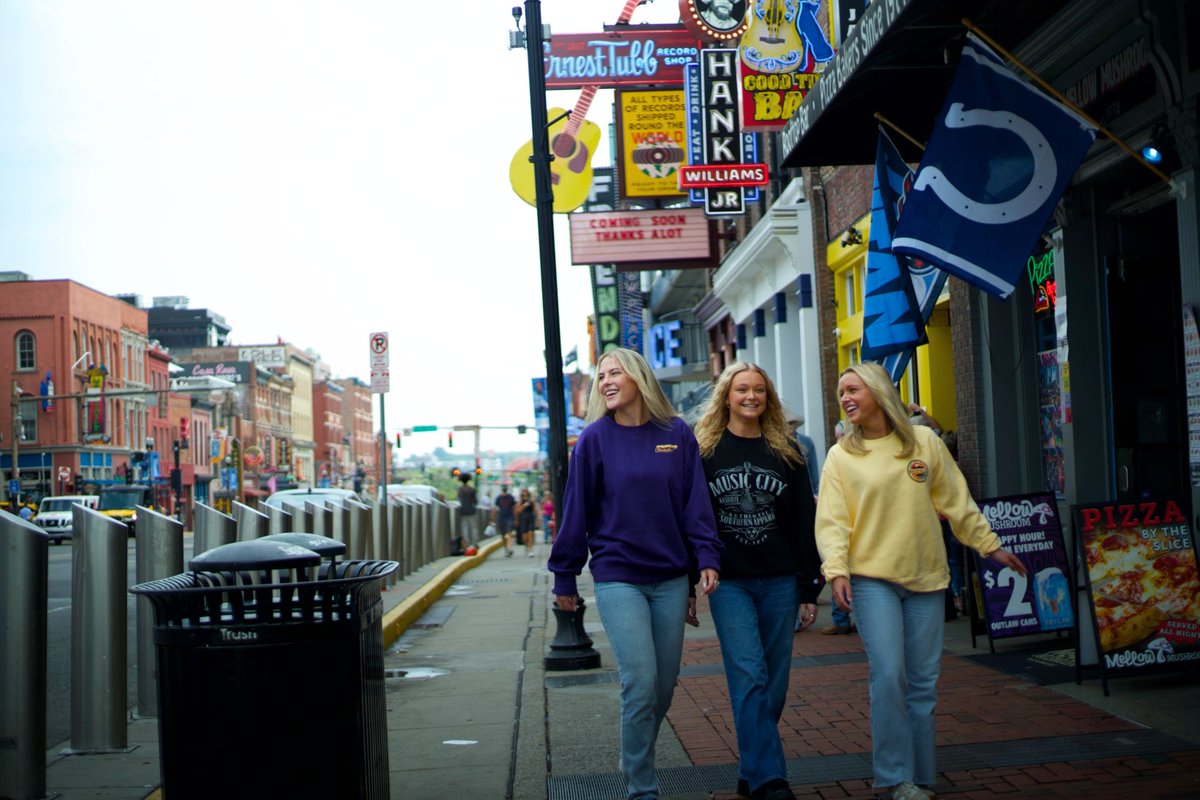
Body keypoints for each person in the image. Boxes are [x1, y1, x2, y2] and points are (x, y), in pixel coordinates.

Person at [815, 362, 1027, 800]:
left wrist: (990, 546)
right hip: (872, 580)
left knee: (923, 683)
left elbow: (957, 500)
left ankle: (921, 776)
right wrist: (835, 569)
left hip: (927, 580)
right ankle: (894, 778)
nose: (846, 398)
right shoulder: (841, 455)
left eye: (853, 389)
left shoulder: (924, 442)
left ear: (877, 391)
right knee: (890, 675)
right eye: (841, 393)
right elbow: (833, 521)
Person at [549, 347, 722, 800]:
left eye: (614, 373)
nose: (605, 381)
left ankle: (636, 754)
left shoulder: (677, 435)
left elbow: (695, 504)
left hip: (669, 578)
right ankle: (641, 785)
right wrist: (564, 576)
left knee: (663, 685)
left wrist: (705, 557)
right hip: (618, 575)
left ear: (639, 378)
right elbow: (575, 512)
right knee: (640, 680)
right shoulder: (594, 440)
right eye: (600, 375)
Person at [695, 363, 819, 800]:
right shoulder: (705, 451)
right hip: (730, 582)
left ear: (768, 398)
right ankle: (771, 780)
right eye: (741, 389)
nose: (750, 396)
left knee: (775, 683)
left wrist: (809, 585)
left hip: (782, 579)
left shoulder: (786, 450)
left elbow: (805, 519)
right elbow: (694, 517)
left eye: (759, 390)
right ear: (726, 396)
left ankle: (752, 769)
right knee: (749, 675)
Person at [493, 484, 516, 557]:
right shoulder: (498, 498)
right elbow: (495, 509)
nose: (504, 489)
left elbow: (514, 508)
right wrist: (492, 519)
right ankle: (506, 548)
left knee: (509, 533)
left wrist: (515, 518)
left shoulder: (511, 497)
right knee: (503, 535)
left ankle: (509, 548)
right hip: (501, 518)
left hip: (510, 517)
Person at [455, 474, 477, 547]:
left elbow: (458, 499)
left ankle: (467, 544)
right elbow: (475, 501)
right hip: (472, 510)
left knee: (465, 528)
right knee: (473, 527)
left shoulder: (460, 489)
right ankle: (474, 543)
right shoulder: (472, 489)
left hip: (463, 511)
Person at [515, 487, 537, 557]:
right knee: (524, 537)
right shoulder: (520, 501)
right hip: (523, 519)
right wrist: (523, 506)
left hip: (530, 518)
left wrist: (537, 520)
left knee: (530, 533)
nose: (524, 493)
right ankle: (527, 545)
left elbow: (534, 510)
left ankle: (531, 549)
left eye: (525, 491)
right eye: (523, 491)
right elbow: (517, 511)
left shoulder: (531, 500)